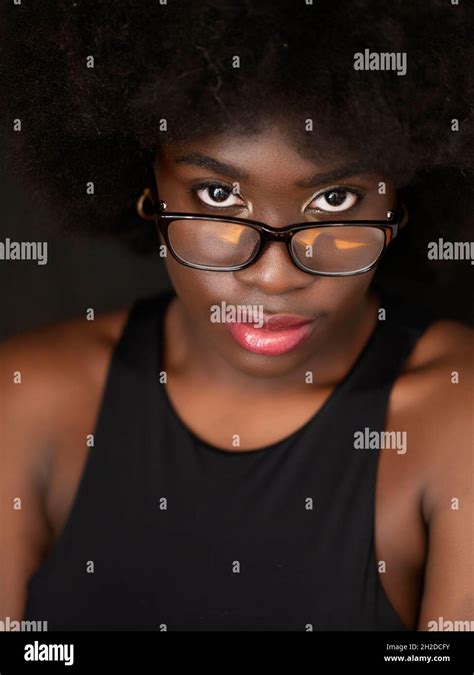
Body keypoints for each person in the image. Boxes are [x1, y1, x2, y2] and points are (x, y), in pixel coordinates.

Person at [1, 0, 473, 631]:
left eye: (336, 199)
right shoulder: (26, 400)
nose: (275, 275)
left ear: (401, 199)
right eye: (218, 195)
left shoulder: (457, 415)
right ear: (149, 186)